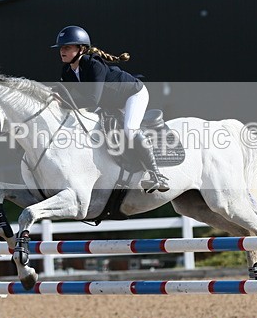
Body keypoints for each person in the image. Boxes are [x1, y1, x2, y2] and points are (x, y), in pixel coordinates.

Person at [51, 25, 169, 193]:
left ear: (81, 49)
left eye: (67, 47)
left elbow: (92, 100)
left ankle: (157, 175)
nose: (62, 51)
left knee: (130, 129)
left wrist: (63, 102)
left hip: (133, 94)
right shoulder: (67, 70)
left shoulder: (93, 64)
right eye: (61, 48)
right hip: (111, 102)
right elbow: (62, 92)